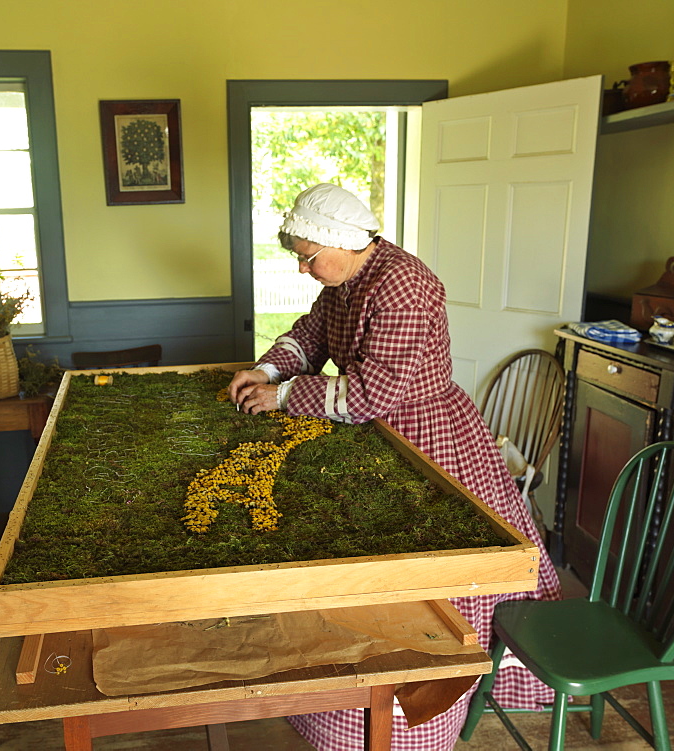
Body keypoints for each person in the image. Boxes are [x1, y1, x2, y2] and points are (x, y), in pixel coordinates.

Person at [228, 183, 561, 751]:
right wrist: (268, 370)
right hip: (379, 437)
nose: (305, 269)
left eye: (309, 257)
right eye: (298, 258)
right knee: (368, 576)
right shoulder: (345, 280)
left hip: (429, 441)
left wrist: (284, 398)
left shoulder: (405, 286)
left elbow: (372, 393)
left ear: (344, 242)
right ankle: (346, 703)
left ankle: (419, 711)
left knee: (435, 582)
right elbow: (312, 335)